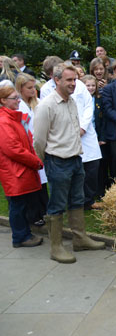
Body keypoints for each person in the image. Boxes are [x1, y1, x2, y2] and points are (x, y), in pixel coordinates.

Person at [33, 63, 105, 263]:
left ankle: (79, 238)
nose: (74, 83)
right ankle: (56, 247)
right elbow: (38, 140)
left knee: (77, 200)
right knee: (56, 205)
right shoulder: (46, 106)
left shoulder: (72, 102)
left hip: (75, 159)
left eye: (75, 80)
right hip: (57, 162)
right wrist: (47, 160)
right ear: (57, 80)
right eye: (69, 80)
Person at [0, 84, 44, 248]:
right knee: (17, 206)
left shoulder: (12, 118)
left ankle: (24, 234)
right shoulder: (5, 121)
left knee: (20, 204)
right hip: (14, 172)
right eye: (14, 98)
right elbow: (13, 149)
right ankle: (20, 237)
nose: (19, 101)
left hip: (18, 170)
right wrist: (35, 161)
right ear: (3, 100)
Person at [15, 73, 49, 230]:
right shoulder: (18, 105)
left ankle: (43, 212)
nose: (33, 91)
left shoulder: (39, 103)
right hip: (26, 147)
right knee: (31, 184)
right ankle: (33, 215)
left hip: (39, 145)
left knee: (42, 183)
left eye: (34, 87)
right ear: (20, 89)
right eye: (29, 88)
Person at [82, 74, 109, 198]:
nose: (91, 88)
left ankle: (98, 192)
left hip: (97, 136)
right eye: (88, 85)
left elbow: (102, 120)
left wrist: (102, 137)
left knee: (98, 166)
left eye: (93, 85)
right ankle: (84, 195)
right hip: (83, 136)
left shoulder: (99, 99)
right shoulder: (78, 99)